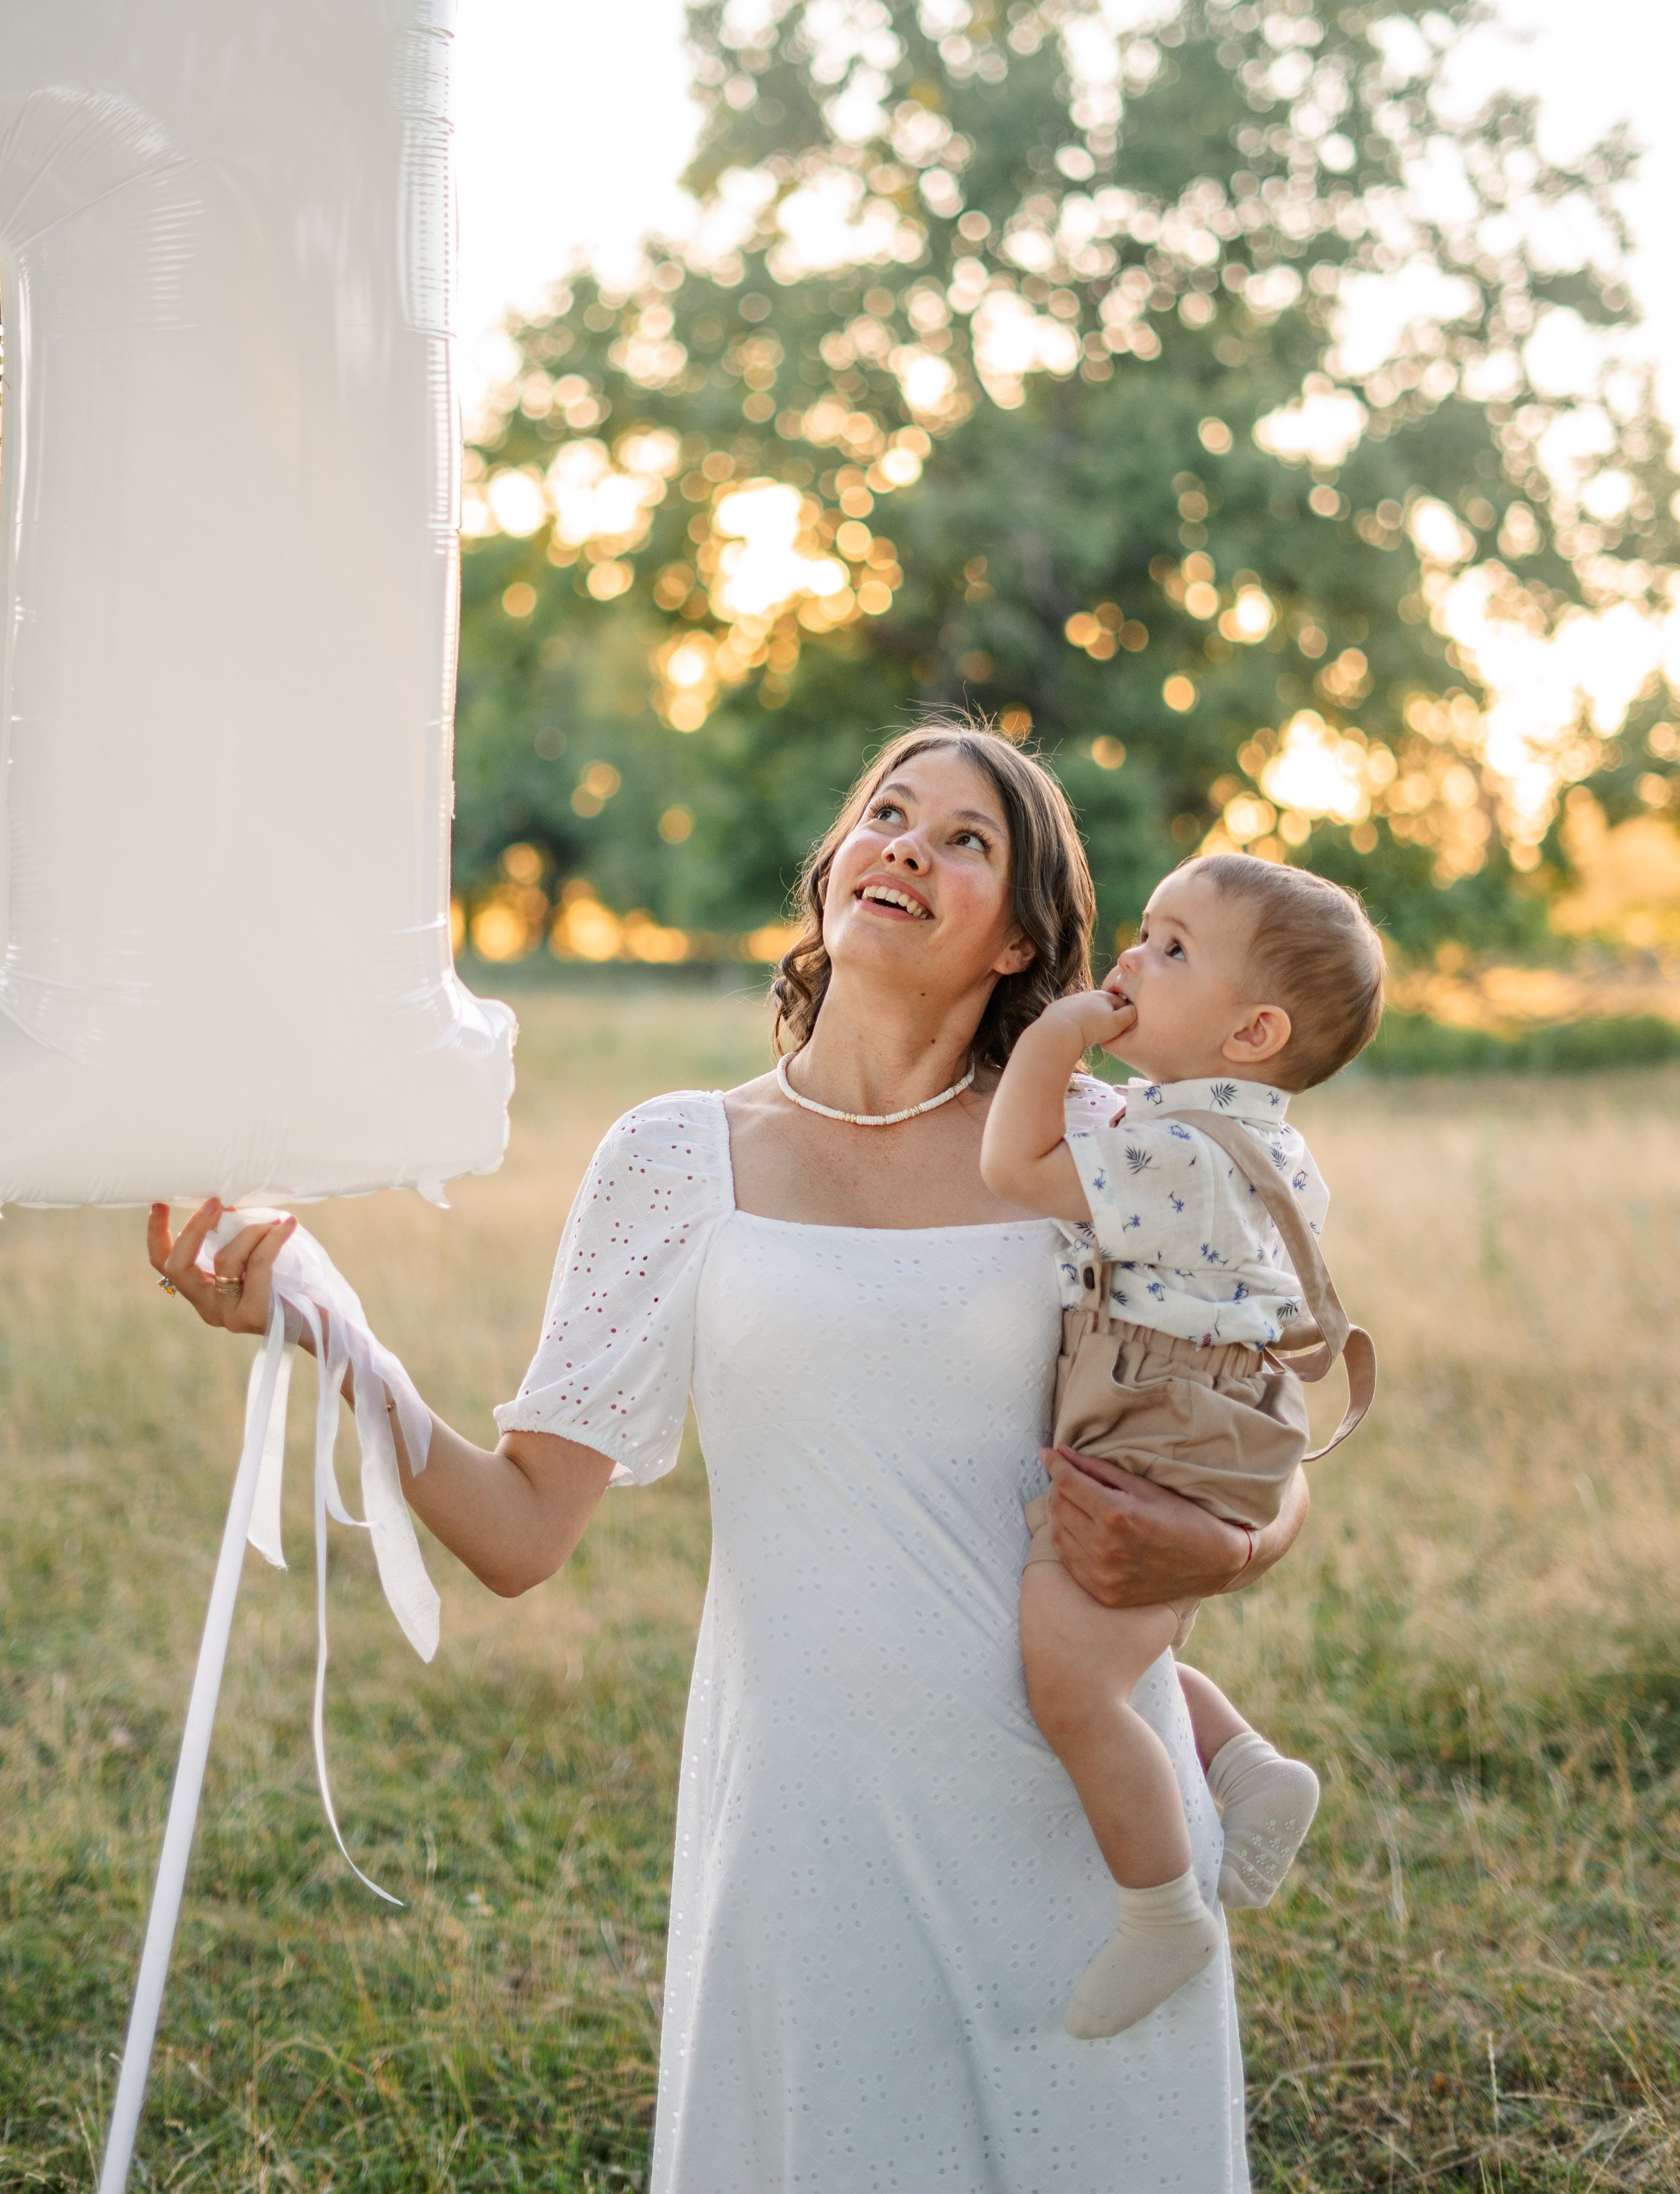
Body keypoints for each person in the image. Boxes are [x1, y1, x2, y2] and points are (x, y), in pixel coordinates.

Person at [150, 725, 1308, 2194]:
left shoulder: (1106, 1145)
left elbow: (1264, 1440)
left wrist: (1234, 1547)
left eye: (968, 839)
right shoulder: (673, 1157)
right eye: (885, 813)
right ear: (832, 871)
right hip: (811, 1839)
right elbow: (518, 1532)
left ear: (1023, 937)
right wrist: (334, 1331)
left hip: (1090, 1840)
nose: (908, 846)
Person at [981, 851, 1383, 2040]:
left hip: (1159, 1416)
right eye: (1143, 935)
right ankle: (1246, 1764)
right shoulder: (1236, 1133)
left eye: (1169, 950)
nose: (1128, 964)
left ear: (1253, 1031)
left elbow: (1014, 1166)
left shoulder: (1186, 1155)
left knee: (1071, 1674)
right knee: (1116, 1649)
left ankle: (1162, 1909)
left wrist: (1056, 1040)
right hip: (1197, 1412)